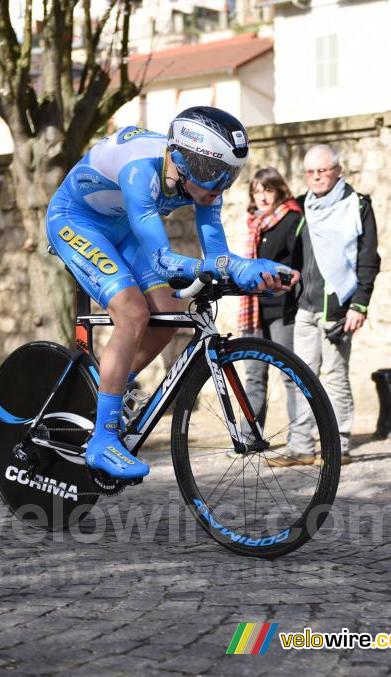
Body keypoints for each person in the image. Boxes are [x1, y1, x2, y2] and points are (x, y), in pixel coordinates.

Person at [46, 107, 300, 480]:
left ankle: (101, 395)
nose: (220, 187)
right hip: (76, 220)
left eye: (229, 175)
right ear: (182, 160)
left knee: (166, 318)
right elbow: (164, 261)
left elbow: (218, 258)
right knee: (132, 313)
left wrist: (253, 272)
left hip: (120, 225)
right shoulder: (140, 172)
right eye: (215, 173)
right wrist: (229, 268)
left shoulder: (203, 184)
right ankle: (103, 439)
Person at [284, 144, 380, 466]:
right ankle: (301, 446)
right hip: (304, 307)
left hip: (336, 307)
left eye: (323, 171)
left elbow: (368, 258)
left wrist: (360, 305)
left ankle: (338, 446)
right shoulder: (300, 207)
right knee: (300, 376)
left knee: (335, 377)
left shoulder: (357, 205)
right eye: (311, 172)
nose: (316, 177)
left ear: (337, 170)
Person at [238, 168, 303, 453]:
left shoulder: (291, 219)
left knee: (290, 375)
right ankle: (249, 440)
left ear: (279, 190)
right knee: (253, 377)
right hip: (254, 310)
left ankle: (300, 442)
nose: (262, 196)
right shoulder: (255, 224)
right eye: (257, 190)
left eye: (267, 190)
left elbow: (299, 265)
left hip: (281, 309)